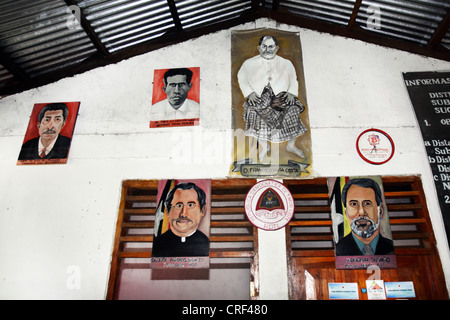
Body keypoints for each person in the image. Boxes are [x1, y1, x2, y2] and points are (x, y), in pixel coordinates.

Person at [237, 35, 307, 161]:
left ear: (276, 48)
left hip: (282, 97)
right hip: (259, 97)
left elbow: (293, 79)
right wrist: (249, 93)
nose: (267, 49)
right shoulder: (248, 63)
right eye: (264, 46)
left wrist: (291, 93)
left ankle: (291, 145)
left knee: (293, 110)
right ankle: (264, 147)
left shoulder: (286, 63)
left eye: (271, 47)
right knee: (253, 113)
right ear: (259, 48)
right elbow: (242, 78)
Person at [335, 178, 394, 256]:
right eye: (354, 204)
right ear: (346, 212)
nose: (361, 212)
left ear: (380, 211)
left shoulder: (392, 248)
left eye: (367, 204)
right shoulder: (338, 250)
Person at [152, 182, 209, 257]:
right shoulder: (156, 245)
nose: (183, 214)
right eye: (179, 205)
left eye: (190, 205)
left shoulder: (207, 244)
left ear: (202, 210)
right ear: (167, 211)